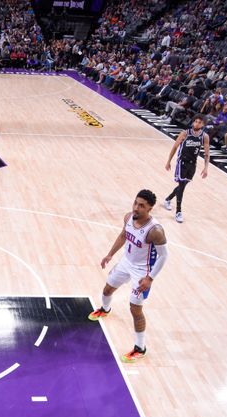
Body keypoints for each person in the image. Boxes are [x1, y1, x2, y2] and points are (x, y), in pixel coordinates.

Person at [88, 190, 169, 363]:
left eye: (142, 206)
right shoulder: (128, 218)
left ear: (150, 209)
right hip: (126, 263)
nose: (136, 208)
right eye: (135, 203)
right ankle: (105, 309)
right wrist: (110, 254)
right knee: (108, 288)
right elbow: (123, 235)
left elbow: (164, 256)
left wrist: (150, 278)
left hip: (142, 272)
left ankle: (140, 348)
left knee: (135, 308)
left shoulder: (155, 230)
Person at [163, 115, 209, 223]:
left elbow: (207, 153)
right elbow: (175, 147)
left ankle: (168, 199)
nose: (197, 124)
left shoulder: (204, 136)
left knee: (182, 185)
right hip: (182, 162)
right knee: (182, 186)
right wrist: (168, 161)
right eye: (195, 121)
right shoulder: (185, 133)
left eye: (199, 122)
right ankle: (178, 212)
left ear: (203, 125)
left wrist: (206, 168)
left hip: (193, 164)